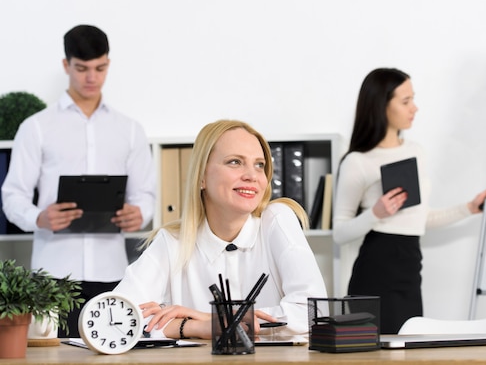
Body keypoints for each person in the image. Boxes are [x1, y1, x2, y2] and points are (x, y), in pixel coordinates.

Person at [1, 25, 156, 337]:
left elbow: (146, 196)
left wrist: (139, 213)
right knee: (49, 357)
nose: (91, 78)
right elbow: (13, 195)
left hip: (112, 272)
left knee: (110, 355)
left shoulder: (129, 130)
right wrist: (39, 217)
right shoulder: (37, 128)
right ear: (66, 65)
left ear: (108, 64)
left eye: (99, 68)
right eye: (81, 68)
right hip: (52, 274)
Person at [114, 119, 327, 339]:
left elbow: (313, 314)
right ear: (202, 177)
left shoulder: (277, 218)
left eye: (259, 165)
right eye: (235, 162)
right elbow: (115, 318)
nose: (252, 176)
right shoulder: (172, 240)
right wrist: (196, 327)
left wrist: (208, 318)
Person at [332, 68, 486, 334]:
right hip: (375, 269)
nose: (414, 108)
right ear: (381, 105)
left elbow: (420, 217)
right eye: (405, 101)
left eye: (412, 99)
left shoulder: (415, 152)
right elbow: (339, 232)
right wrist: (375, 213)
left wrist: (468, 208)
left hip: (409, 269)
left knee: (409, 353)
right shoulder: (357, 161)